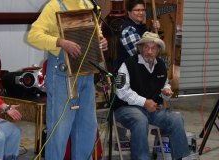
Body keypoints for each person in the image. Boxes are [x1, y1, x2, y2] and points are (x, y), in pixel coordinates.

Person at [27, 0, 108, 160]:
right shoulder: (54, 6)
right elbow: (33, 36)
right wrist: (60, 42)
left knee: (87, 127)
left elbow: (95, 33)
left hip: (86, 72)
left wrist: (101, 40)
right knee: (60, 129)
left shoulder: (89, 5)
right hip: (62, 75)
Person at [113, 31, 190, 160]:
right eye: (146, 47)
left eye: (153, 48)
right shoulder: (127, 64)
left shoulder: (161, 65)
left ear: (158, 50)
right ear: (140, 48)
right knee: (140, 120)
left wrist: (166, 92)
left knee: (176, 119)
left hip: (152, 109)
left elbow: (165, 85)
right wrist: (144, 102)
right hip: (126, 109)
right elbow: (121, 91)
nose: (149, 51)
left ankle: (180, 157)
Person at [115, 0, 160, 145]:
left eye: (142, 10)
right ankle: (122, 139)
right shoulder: (128, 30)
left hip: (139, 73)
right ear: (129, 12)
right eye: (136, 10)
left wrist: (154, 32)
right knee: (125, 102)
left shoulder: (141, 27)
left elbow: (151, 50)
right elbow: (142, 54)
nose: (141, 13)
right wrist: (153, 38)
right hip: (127, 73)